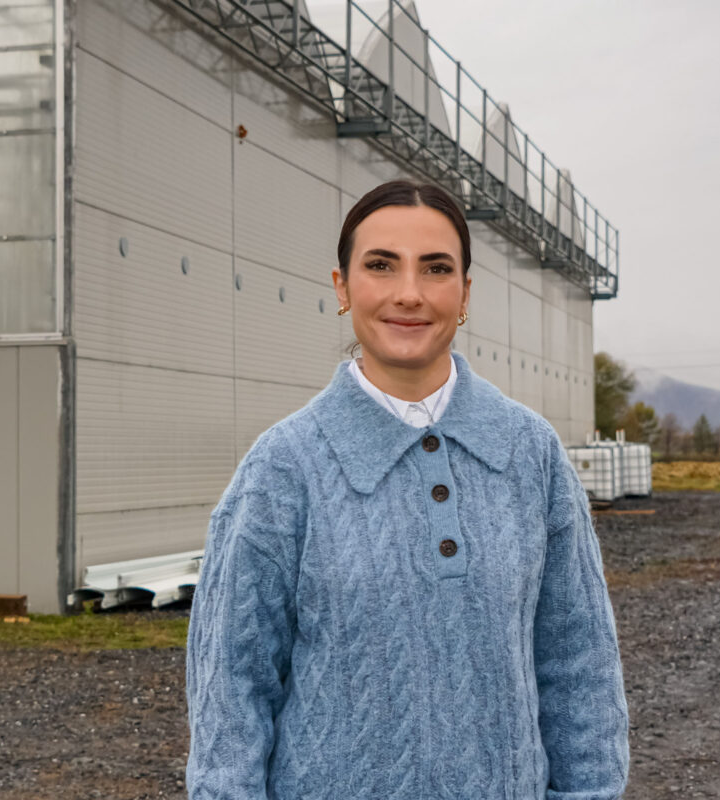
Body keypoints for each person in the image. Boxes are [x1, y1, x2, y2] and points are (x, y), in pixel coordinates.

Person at [185, 179, 629, 799]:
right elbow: (230, 694)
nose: (410, 294)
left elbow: (579, 669)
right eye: (381, 265)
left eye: (437, 268)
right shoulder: (283, 468)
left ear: (466, 293)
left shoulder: (531, 454)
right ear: (342, 287)